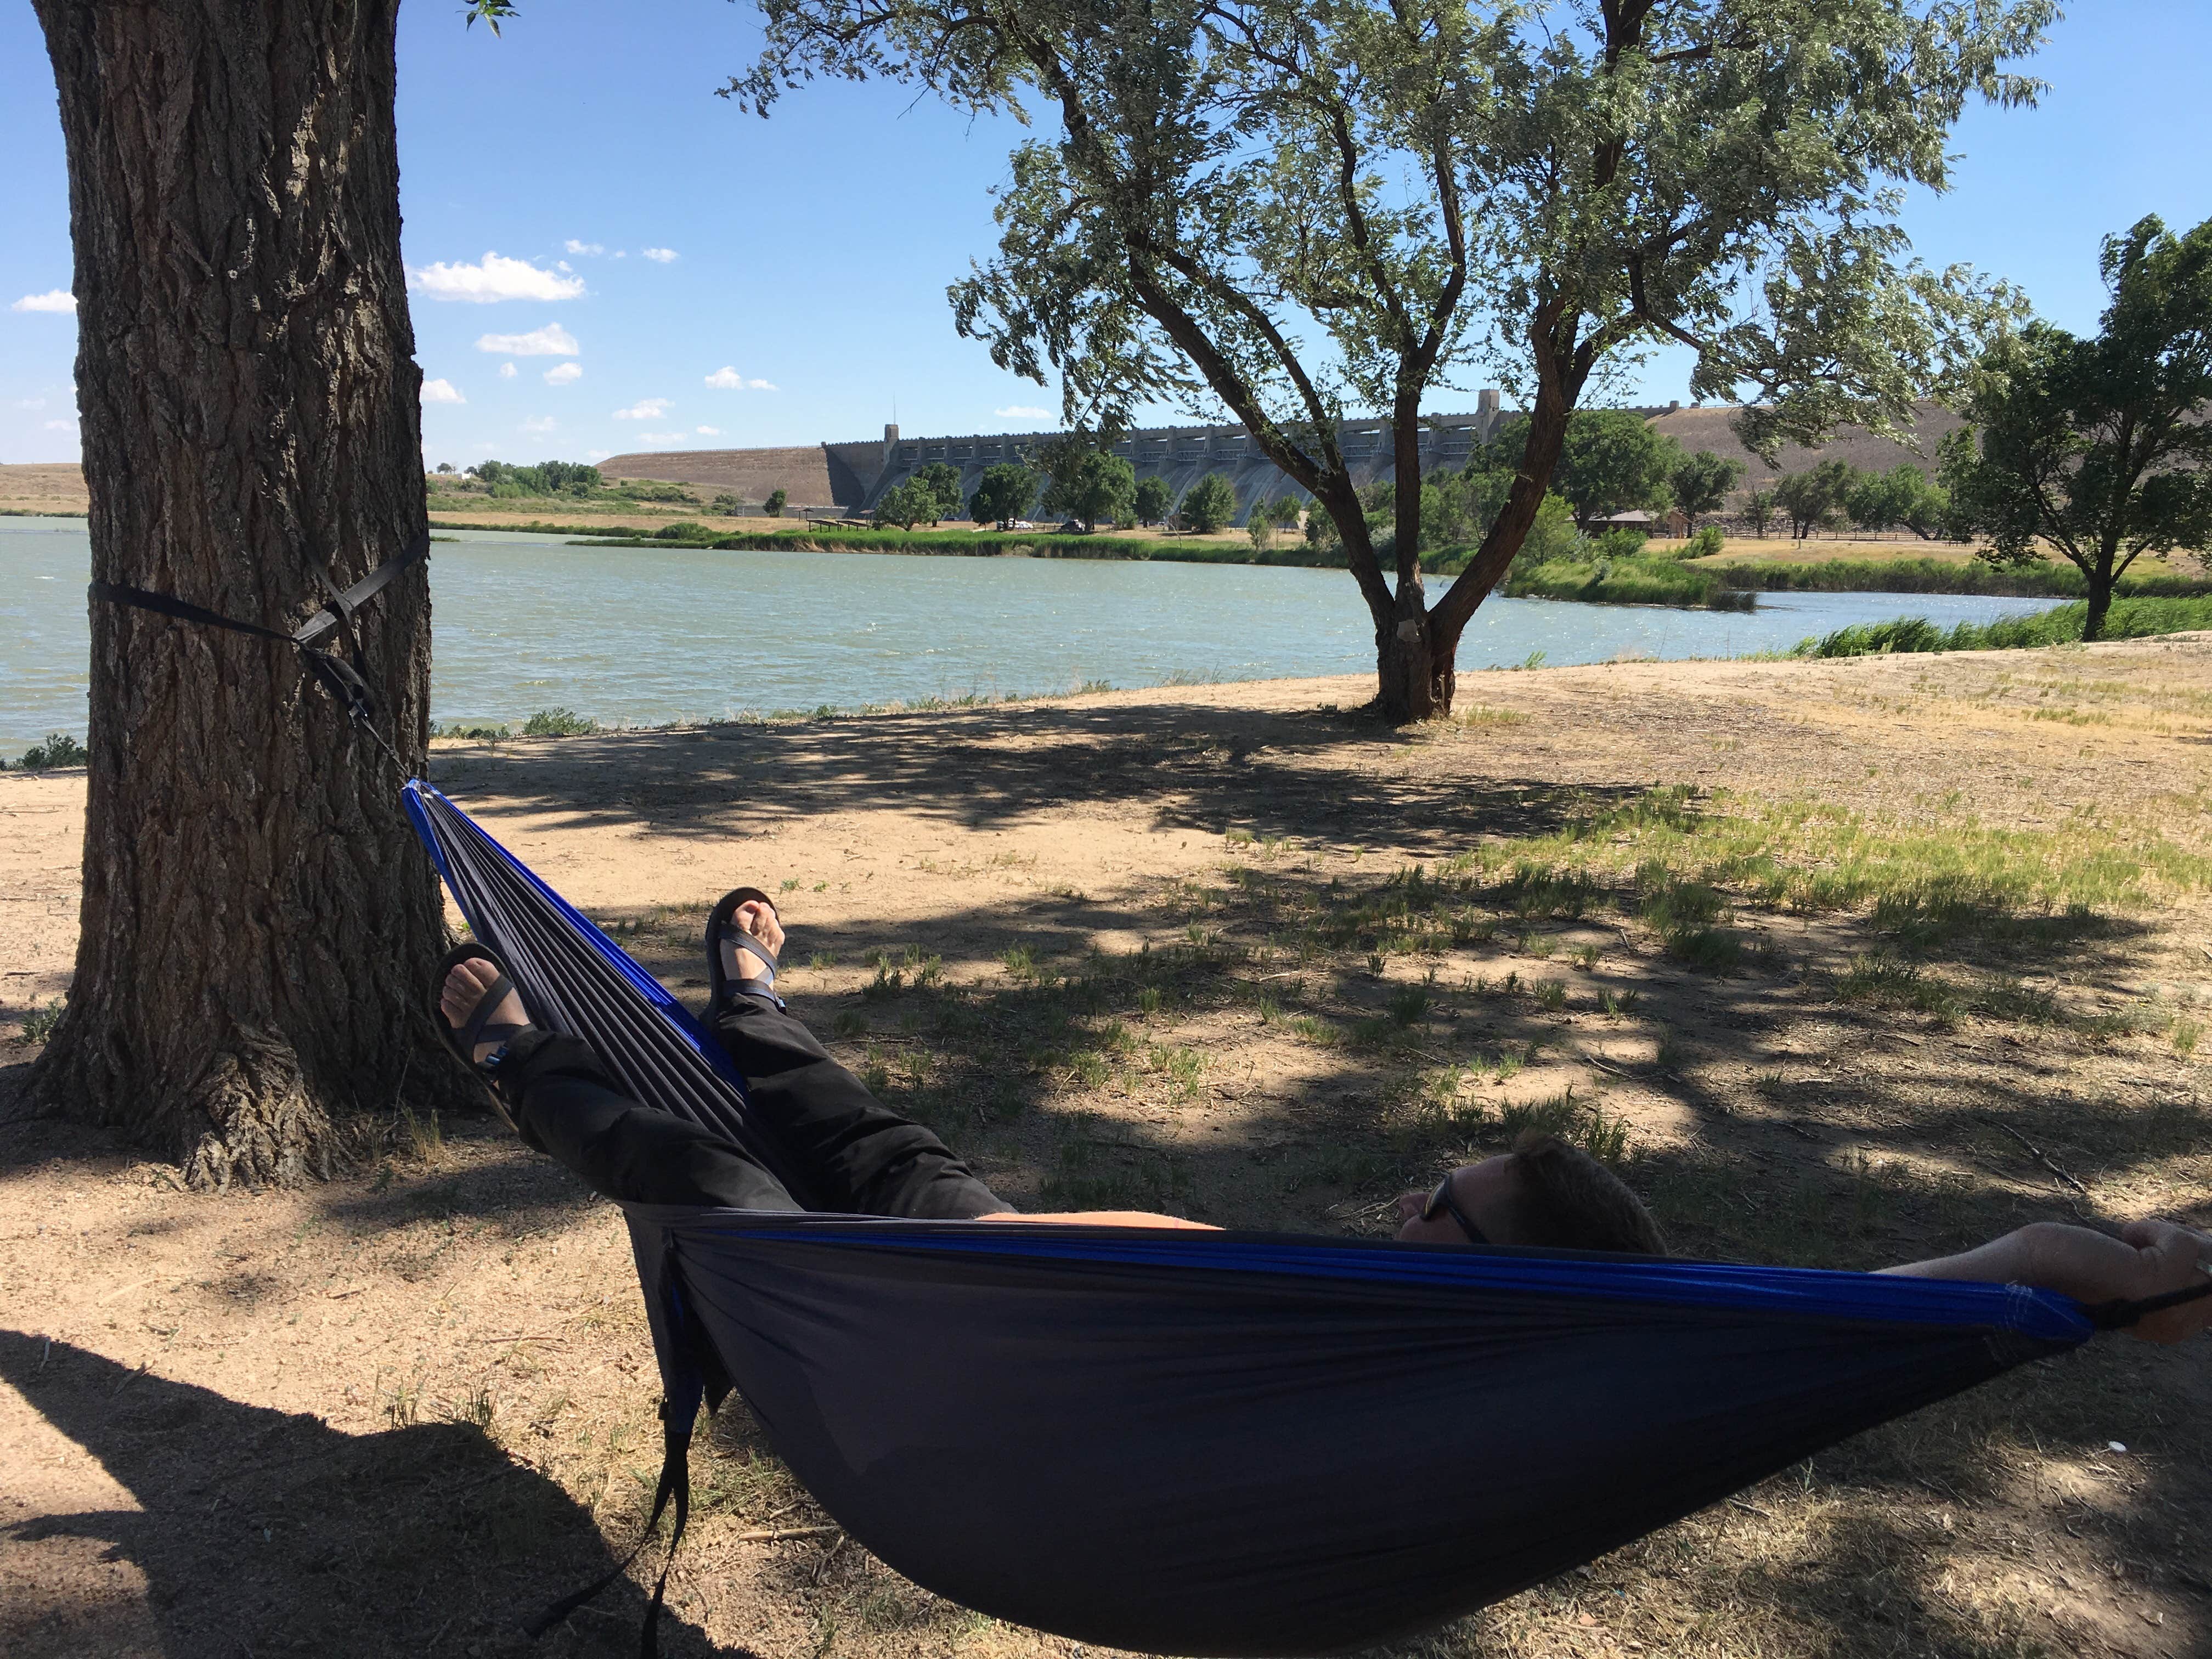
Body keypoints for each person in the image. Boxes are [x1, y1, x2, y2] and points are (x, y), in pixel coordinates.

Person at [438, 891, 2212, 1346]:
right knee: (858, 1127)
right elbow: (1803, 1310)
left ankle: (518, 1052)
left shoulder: (1412, 1339)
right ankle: (749, 1001)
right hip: (959, 1249)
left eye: (1439, 1193)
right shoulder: (1538, 1331)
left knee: (733, 1179)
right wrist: (2048, 1261)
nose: (1407, 1200)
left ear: (1486, 1258)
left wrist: (1001, 1256)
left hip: (934, 1303)